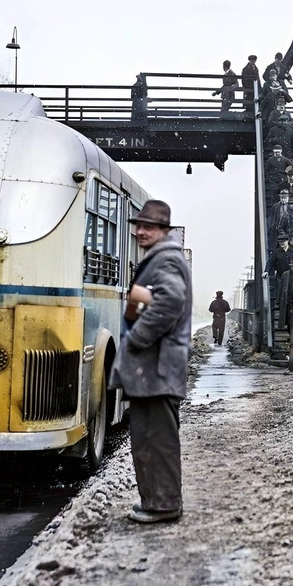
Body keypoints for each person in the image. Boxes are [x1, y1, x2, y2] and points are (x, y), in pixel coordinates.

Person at [109, 200, 192, 524]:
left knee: (155, 440)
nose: (141, 231)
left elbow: (170, 301)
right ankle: (159, 501)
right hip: (156, 368)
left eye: (150, 227)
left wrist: (137, 338)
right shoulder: (163, 257)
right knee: (151, 438)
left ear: (164, 231)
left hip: (157, 365)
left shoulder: (166, 260)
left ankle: (163, 505)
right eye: (139, 225)